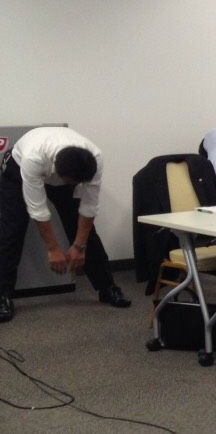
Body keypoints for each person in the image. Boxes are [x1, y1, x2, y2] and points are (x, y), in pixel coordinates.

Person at [0, 127, 131, 322]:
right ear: (59, 174)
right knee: (11, 231)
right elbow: (38, 210)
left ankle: (107, 287)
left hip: (59, 166)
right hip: (18, 169)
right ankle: (2, 296)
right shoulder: (33, 159)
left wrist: (79, 246)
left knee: (85, 232)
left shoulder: (94, 159)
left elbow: (89, 207)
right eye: (71, 182)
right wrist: (53, 249)